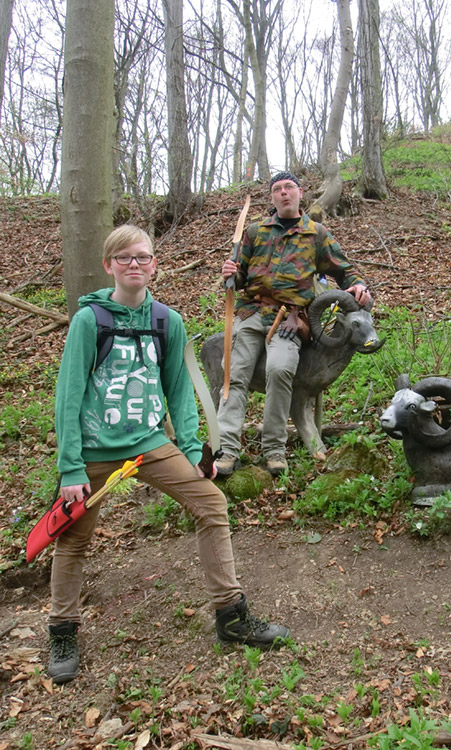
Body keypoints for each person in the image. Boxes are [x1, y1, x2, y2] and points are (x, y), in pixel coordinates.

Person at [47, 225, 289, 684]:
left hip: (150, 443)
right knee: (73, 537)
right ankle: (62, 631)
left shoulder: (166, 321)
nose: (133, 264)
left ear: (154, 264)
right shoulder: (89, 321)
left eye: (142, 256)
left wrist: (194, 448)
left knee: (211, 504)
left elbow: (178, 389)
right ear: (108, 265)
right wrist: (71, 467)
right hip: (95, 448)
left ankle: (231, 617)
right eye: (124, 258)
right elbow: (69, 395)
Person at [215, 171, 372, 477]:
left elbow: (345, 271)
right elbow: (239, 277)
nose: (284, 193)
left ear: (300, 193)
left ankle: (274, 449)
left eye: (289, 187)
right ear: (272, 197)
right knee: (233, 373)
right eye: (277, 189)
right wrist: (230, 274)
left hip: (290, 318)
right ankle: (227, 449)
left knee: (280, 370)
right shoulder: (256, 231)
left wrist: (358, 286)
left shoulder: (316, 234)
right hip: (250, 314)